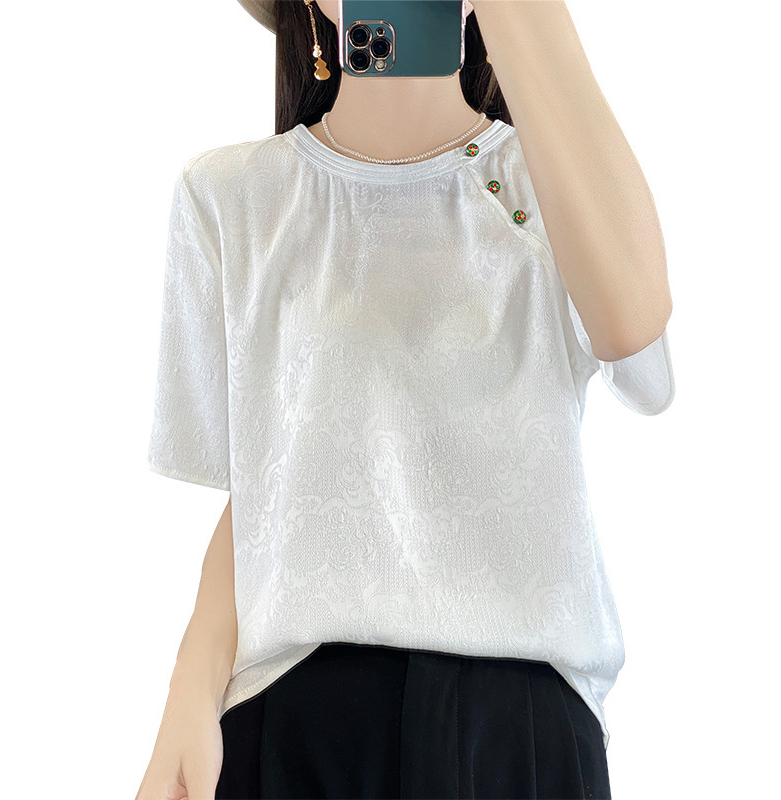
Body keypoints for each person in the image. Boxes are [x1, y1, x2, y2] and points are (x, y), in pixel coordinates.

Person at [136, 1, 675, 798]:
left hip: (520, 728)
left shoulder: (551, 183)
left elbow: (638, 346)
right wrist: (191, 683)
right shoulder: (230, 196)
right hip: (293, 720)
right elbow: (267, 486)